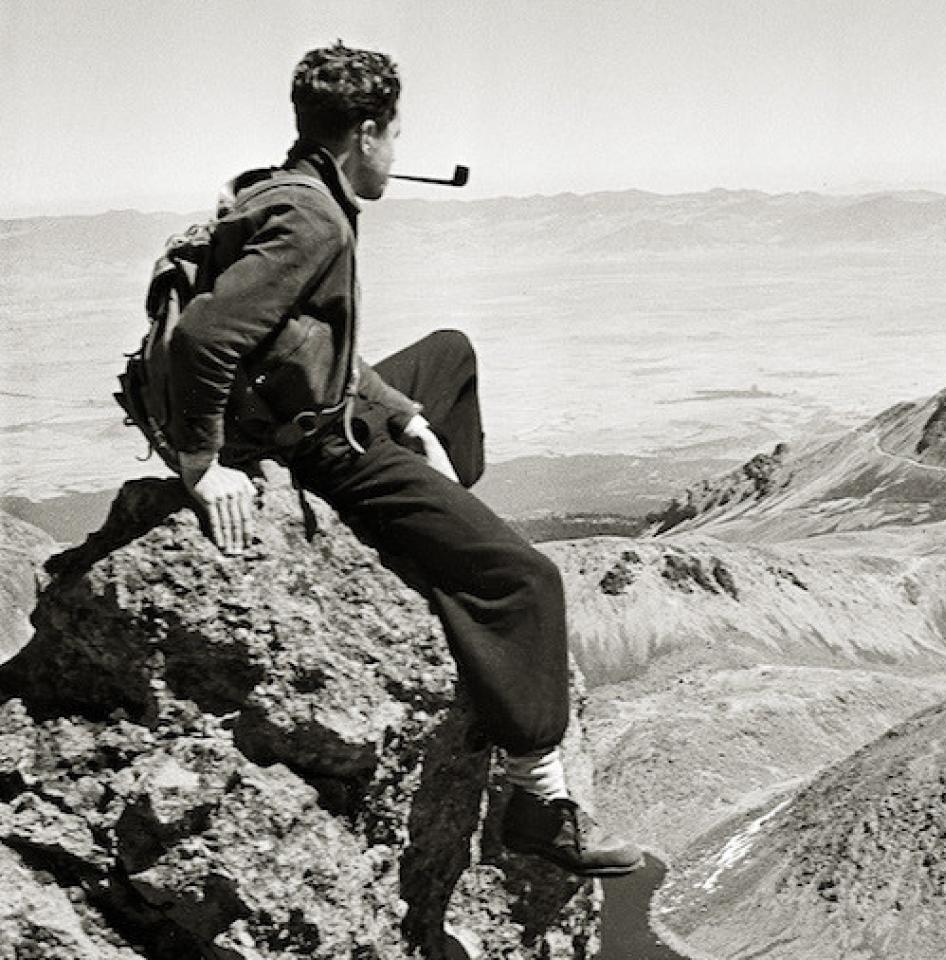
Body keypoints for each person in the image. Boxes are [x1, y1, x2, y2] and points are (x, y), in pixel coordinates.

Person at [168, 42, 641, 878]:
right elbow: (207, 337)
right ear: (367, 133)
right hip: (318, 447)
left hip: (330, 406)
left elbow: (314, 345)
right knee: (528, 581)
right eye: (394, 134)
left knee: (448, 357)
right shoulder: (313, 218)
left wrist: (405, 413)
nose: (397, 153)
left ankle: (444, 519)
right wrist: (202, 466)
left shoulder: (286, 190)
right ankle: (541, 807)